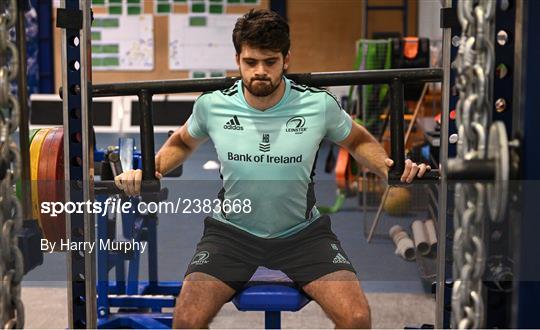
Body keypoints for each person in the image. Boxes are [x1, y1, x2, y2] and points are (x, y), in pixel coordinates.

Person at [114, 9, 430, 329]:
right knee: (186, 319)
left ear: (286, 60)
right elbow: (182, 142)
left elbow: (358, 139)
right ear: (237, 59)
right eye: (251, 62)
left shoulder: (317, 105)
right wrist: (152, 171)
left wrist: (389, 167)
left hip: (303, 236)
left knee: (357, 318)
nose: (260, 71)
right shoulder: (213, 105)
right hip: (231, 235)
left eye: (270, 61)